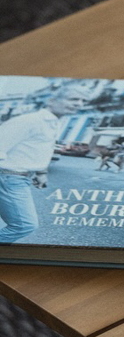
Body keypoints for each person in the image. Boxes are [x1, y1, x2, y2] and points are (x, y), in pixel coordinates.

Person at [0, 82, 96, 243]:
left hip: (18, 177)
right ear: (52, 100)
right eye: (73, 99)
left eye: (83, 101)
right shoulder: (29, 121)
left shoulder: (53, 122)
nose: (79, 104)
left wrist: (41, 172)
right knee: (24, 225)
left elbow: (41, 148)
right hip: (9, 177)